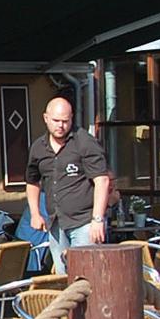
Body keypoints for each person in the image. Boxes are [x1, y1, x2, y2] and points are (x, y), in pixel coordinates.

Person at [25, 95, 112, 268]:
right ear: (46, 118)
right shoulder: (38, 147)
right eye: (56, 121)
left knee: (85, 273)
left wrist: (98, 220)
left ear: (71, 118)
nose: (61, 125)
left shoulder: (84, 142)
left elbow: (102, 180)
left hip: (84, 222)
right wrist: (35, 213)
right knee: (62, 274)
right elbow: (32, 182)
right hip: (56, 222)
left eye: (65, 121)